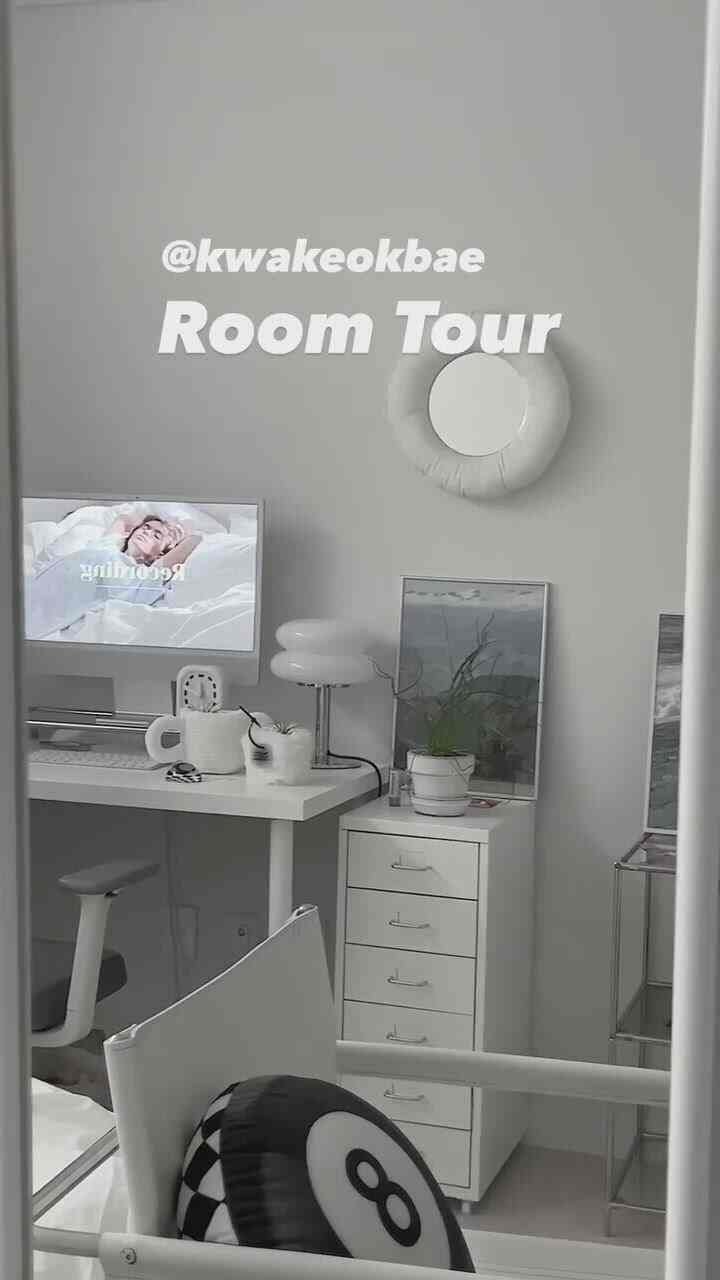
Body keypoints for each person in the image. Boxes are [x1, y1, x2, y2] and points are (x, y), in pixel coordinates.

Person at [25, 512, 202, 640]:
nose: (147, 532)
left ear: (159, 555)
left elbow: (194, 540)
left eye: (156, 535)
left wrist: (181, 531)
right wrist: (160, 521)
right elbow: (124, 517)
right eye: (146, 528)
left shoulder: (143, 578)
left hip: (33, 618)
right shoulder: (107, 545)